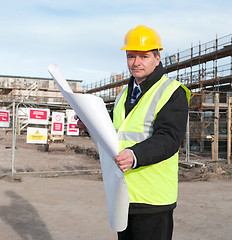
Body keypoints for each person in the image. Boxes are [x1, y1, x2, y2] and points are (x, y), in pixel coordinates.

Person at [76, 25, 190, 240]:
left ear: (157, 58)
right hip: (123, 193)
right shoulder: (123, 95)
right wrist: (89, 127)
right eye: (131, 56)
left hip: (152, 197)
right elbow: (115, 135)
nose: (136, 62)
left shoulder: (172, 92)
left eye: (143, 56)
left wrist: (135, 155)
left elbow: (169, 138)